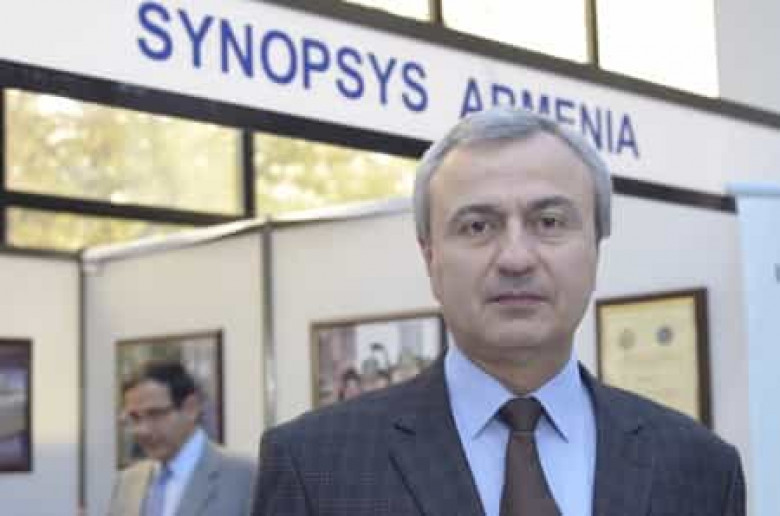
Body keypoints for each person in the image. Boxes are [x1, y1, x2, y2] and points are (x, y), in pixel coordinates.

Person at [251, 107, 745, 516]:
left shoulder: (699, 468)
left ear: (596, 247)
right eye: (477, 226)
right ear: (430, 257)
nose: (515, 258)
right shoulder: (314, 466)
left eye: (549, 221)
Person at [108, 360, 255, 516]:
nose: (143, 430)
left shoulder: (245, 477)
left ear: (191, 408)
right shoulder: (127, 482)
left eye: (155, 414)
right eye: (134, 418)